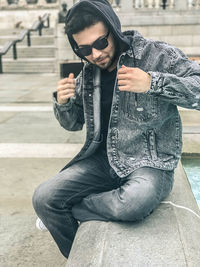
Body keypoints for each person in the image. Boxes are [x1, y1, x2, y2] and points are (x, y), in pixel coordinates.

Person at [32, 0, 200, 259]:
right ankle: (81, 258)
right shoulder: (88, 73)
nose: (96, 54)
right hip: (101, 161)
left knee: (134, 202)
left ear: (114, 28)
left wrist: (152, 83)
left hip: (149, 161)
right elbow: (74, 124)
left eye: (101, 43)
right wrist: (64, 103)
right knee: (43, 198)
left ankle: (69, 209)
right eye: (85, 49)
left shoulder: (155, 55)